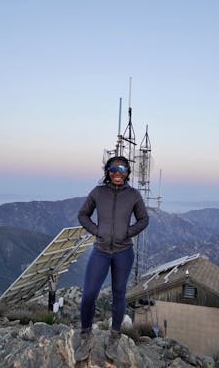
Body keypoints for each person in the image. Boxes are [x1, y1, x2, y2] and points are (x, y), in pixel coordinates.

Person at [75, 155, 149, 362]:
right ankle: (85, 336)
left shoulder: (133, 195)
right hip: (100, 250)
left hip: (123, 252)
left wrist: (128, 232)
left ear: (127, 173)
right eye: (114, 169)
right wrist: (97, 231)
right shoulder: (98, 192)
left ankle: (114, 338)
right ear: (107, 171)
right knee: (89, 294)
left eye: (123, 170)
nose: (118, 173)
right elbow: (83, 215)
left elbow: (144, 219)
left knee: (119, 295)